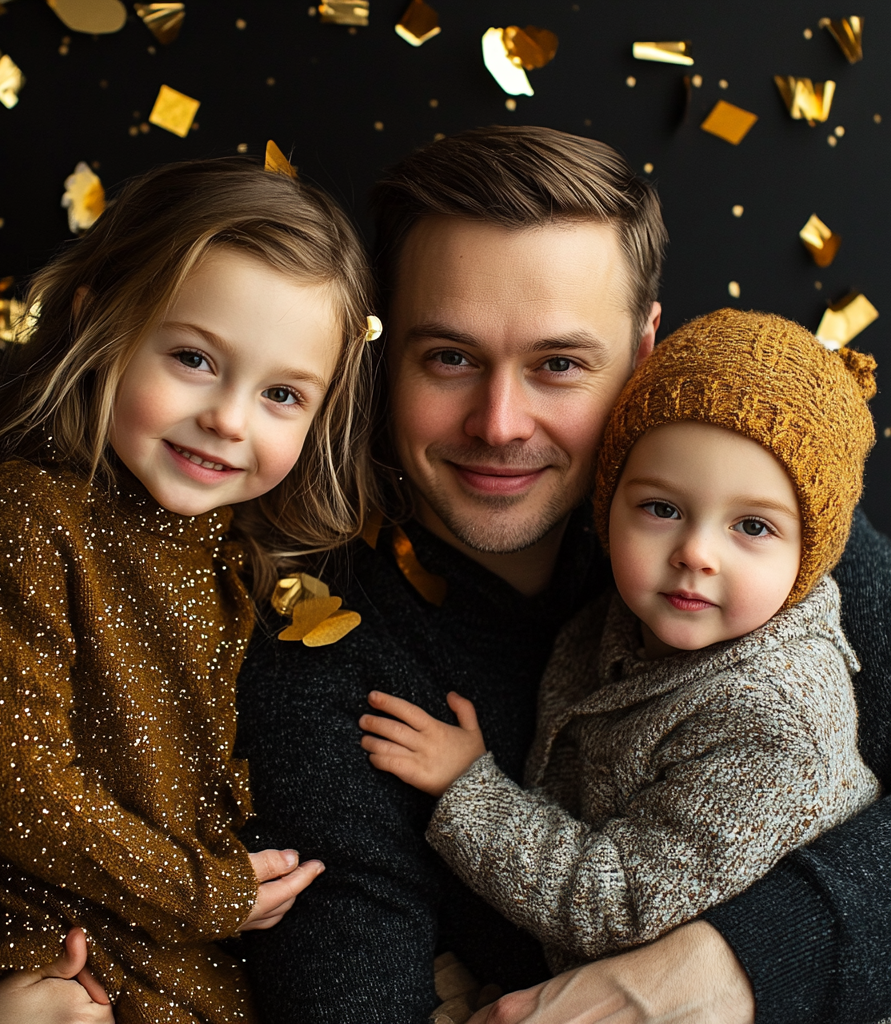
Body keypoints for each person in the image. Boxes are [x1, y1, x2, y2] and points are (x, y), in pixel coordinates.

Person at [236, 126, 891, 1024]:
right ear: (380, 358)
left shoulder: (769, 524)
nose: (500, 422)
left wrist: (732, 966)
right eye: (451, 358)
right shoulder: (326, 665)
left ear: (645, 348)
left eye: (559, 365)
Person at [0, 158, 380, 1024]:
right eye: (193, 358)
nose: (229, 418)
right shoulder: (21, 521)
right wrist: (206, 893)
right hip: (25, 950)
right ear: (99, 319)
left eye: (282, 394)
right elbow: (8, 787)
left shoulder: (221, 559)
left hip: (137, 929)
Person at [361, 309, 880, 981]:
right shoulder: (619, 615)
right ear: (610, 504)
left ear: (811, 556)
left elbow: (623, 904)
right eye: (662, 509)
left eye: (751, 526)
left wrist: (470, 792)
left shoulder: (773, 722)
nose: (695, 553)